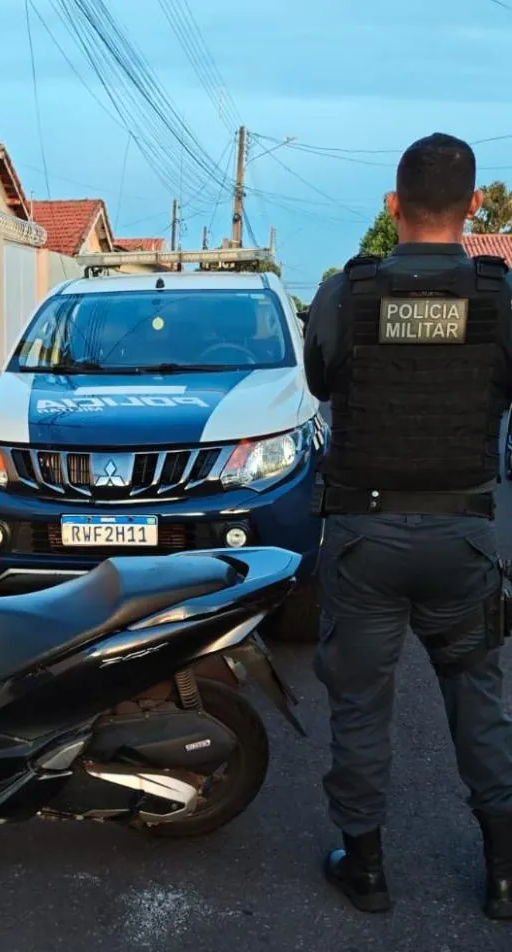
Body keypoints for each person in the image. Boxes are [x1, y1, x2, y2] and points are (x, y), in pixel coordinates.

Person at [303, 132, 512, 920]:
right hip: (460, 537)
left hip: (364, 537)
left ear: (392, 206)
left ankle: (364, 871)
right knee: (477, 702)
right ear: (474, 207)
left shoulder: (345, 293)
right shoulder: (498, 295)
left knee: (359, 705)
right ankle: (502, 876)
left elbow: (320, 377)